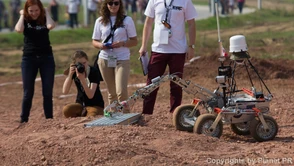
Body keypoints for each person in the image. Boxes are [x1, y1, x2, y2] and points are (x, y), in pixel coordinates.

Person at [138, 0, 197, 117]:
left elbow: (191, 23)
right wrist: (143, 45)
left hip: (178, 50)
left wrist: (191, 46)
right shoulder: (154, 1)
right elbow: (148, 22)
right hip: (158, 49)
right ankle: (146, 113)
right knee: (151, 83)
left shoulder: (185, 2)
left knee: (176, 84)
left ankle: (175, 114)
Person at [92, 0, 138, 112]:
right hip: (105, 59)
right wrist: (101, 45)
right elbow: (94, 41)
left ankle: (125, 115)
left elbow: (134, 41)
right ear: (106, 5)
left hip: (122, 59)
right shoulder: (100, 21)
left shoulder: (127, 20)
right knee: (111, 93)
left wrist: (122, 43)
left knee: (121, 92)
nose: (113, 6)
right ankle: (113, 116)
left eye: (116, 3)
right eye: (110, 3)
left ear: (120, 4)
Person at [14, 0, 56, 123]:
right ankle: (24, 119)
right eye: (31, 11)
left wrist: (46, 12)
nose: (34, 13)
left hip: (46, 58)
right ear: (27, 10)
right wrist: (22, 15)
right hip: (29, 58)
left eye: (37, 10)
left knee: (47, 92)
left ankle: (49, 119)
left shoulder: (44, 18)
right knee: (28, 92)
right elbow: (18, 29)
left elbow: (51, 26)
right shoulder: (25, 20)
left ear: (41, 9)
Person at [62, 50, 105, 118]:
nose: (82, 66)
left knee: (92, 114)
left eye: (84, 63)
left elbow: (90, 95)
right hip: (81, 104)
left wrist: (82, 80)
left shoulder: (93, 71)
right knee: (66, 110)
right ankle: (83, 112)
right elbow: (65, 91)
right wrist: (70, 74)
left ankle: (85, 113)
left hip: (95, 104)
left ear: (87, 61)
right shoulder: (76, 72)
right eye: (79, 64)